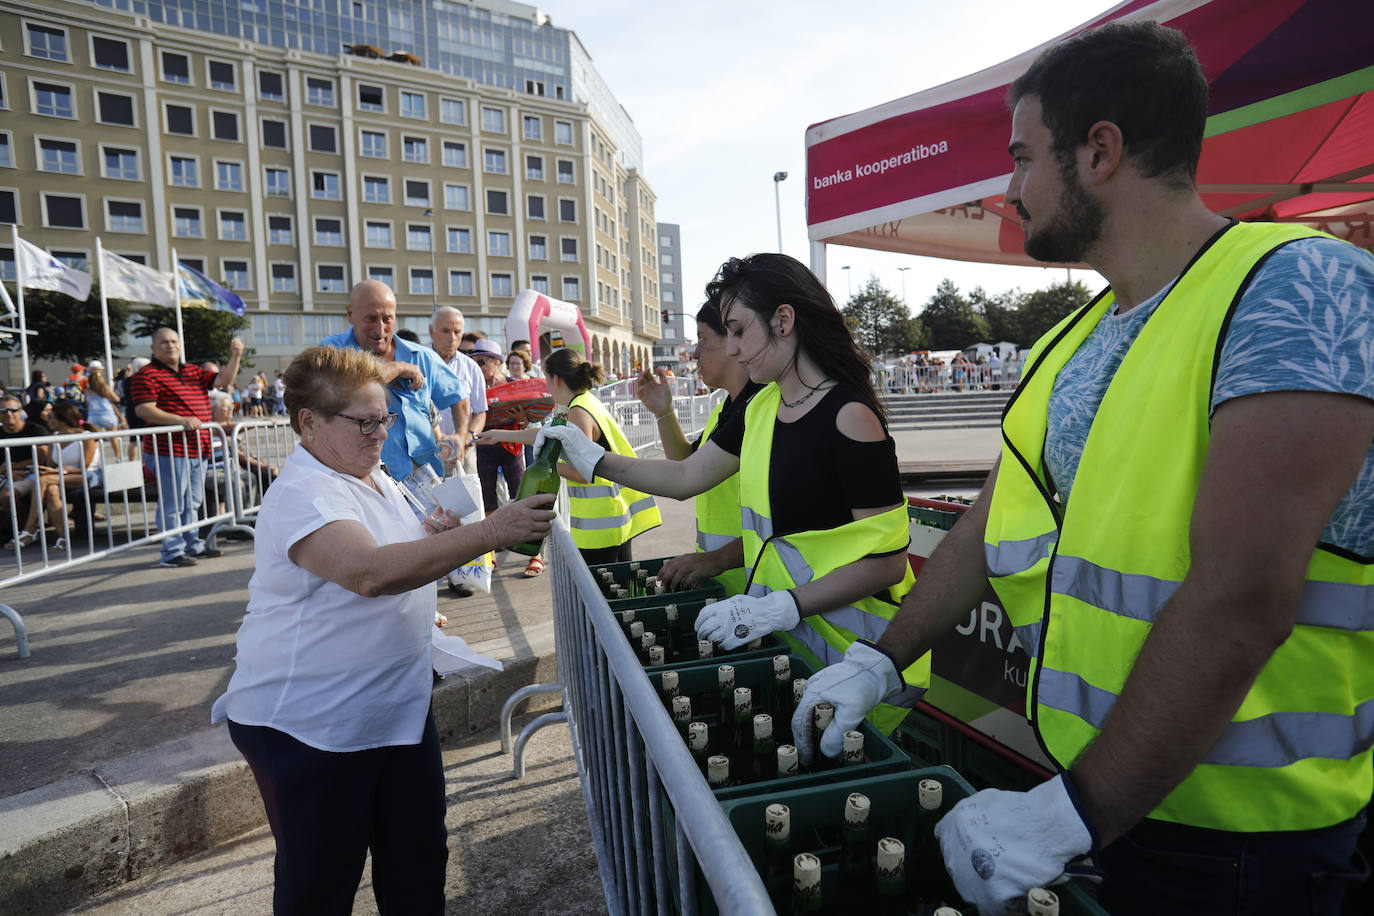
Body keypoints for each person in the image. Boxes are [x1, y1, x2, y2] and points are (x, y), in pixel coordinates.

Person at [792, 21, 1374, 916]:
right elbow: (994, 522)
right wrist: (881, 658)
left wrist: (1070, 813)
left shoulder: (1301, 289)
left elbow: (1241, 599)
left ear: (1100, 151)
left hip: (1242, 848)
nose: (1011, 188)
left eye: (1024, 157)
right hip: (1095, 803)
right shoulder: (1072, 338)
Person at [211, 345, 555, 914]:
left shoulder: (369, 473)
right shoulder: (302, 492)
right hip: (314, 725)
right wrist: (492, 531)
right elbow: (368, 572)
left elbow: (392, 552)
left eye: (385, 419)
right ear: (309, 423)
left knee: (418, 863)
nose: (379, 433)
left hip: (391, 707)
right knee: (319, 885)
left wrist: (430, 536)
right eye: (365, 422)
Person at [537, 255, 925, 734]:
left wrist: (783, 606)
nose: (734, 350)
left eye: (740, 331)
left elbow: (887, 563)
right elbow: (685, 477)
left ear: (784, 321)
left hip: (854, 658)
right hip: (791, 640)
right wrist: (594, 458)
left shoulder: (849, 416)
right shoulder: (763, 406)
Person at [483, 347, 661, 565]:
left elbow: (581, 471)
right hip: (608, 517)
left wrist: (545, 467)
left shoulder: (577, 412)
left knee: (601, 594)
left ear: (556, 379)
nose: (546, 386)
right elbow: (547, 434)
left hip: (601, 524)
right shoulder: (573, 405)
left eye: (546, 379)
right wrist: (498, 435)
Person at [635, 299, 762, 595]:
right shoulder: (726, 407)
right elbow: (687, 463)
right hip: (727, 584)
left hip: (754, 586)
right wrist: (663, 412)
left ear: (734, 339)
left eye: (703, 339)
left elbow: (683, 480)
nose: (694, 353)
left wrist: (592, 459)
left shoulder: (761, 407)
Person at [320, 280, 468, 481]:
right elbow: (351, 388)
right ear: (350, 314)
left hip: (426, 482)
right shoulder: (332, 352)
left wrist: (460, 434)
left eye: (387, 319)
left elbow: (458, 396)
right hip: (363, 482)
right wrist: (398, 368)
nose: (380, 330)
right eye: (371, 319)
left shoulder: (421, 356)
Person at [132, 328, 244, 568]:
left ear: (180, 345)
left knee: (192, 502)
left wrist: (235, 356)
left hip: (197, 449)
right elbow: (143, 409)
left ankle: (193, 544)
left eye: (174, 341)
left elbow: (223, 380)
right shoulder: (147, 375)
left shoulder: (193, 371)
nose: (170, 345)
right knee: (173, 504)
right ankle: (172, 551)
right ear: (153, 348)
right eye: (164, 342)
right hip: (169, 450)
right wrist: (180, 420)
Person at [427, 306, 486, 477]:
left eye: (457, 332)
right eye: (445, 331)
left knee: (467, 503)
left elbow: (480, 411)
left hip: (463, 454)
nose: (452, 338)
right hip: (427, 454)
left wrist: (467, 438)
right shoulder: (418, 363)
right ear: (431, 331)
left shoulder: (471, 368)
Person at [0, 394, 57, 549]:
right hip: (5, 474)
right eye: (3, 410)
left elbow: (40, 459)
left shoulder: (35, 429)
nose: (8, 414)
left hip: (31, 473)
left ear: (21, 411)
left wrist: (10, 469)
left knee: (7, 495)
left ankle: (23, 533)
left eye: (13, 410)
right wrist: (4, 471)